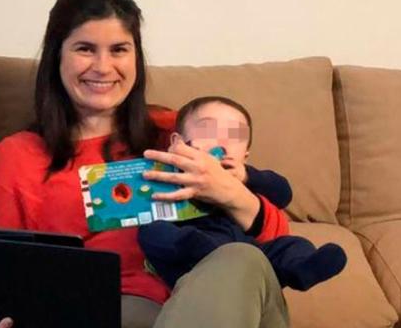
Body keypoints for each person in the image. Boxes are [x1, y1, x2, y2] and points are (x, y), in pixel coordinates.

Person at [0, 0, 291, 328]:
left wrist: (228, 190)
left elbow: (278, 242)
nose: (104, 67)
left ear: (137, 59)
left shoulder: (176, 133)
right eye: (85, 49)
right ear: (56, 56)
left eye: (119, 49)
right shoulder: (18, 158)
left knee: (239, 259)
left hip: (231, 310)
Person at [139, 95, 347, 291]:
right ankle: (206, 258)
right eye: (208, 130)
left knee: (293, 245)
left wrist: (248, 176)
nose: (222, 141)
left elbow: (284, 193)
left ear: (245, 154)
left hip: (246, 254)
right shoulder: (166, 175)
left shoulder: (244, 177)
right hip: (194, 252)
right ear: (178, 142)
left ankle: (302, 268)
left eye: (235, 135)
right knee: (152, 231)